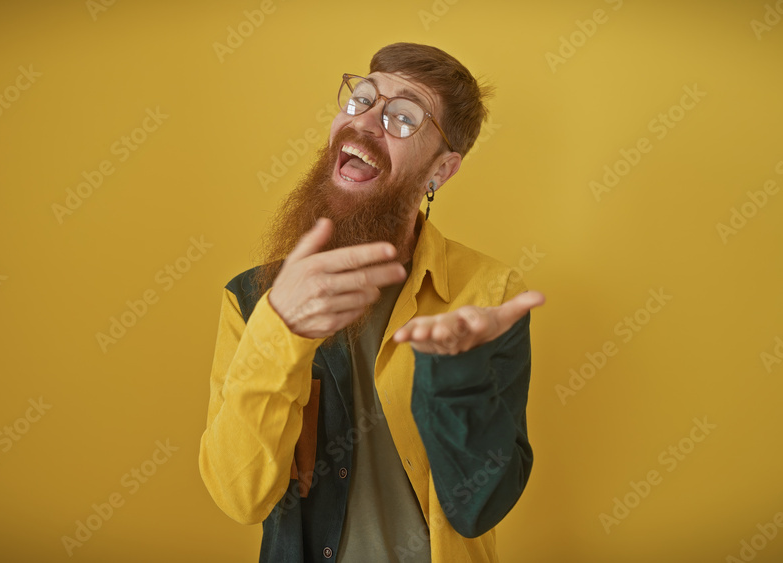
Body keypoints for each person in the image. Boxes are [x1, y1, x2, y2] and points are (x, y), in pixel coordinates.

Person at [199, 42, 545, 562]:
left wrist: (458, 382)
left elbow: (480, 507)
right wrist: (279, 328)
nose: (364, 122)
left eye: (404, 116)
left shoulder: (489, 295)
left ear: (441, 171)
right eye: (361, 98)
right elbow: (240, 497)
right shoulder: (252, 299)